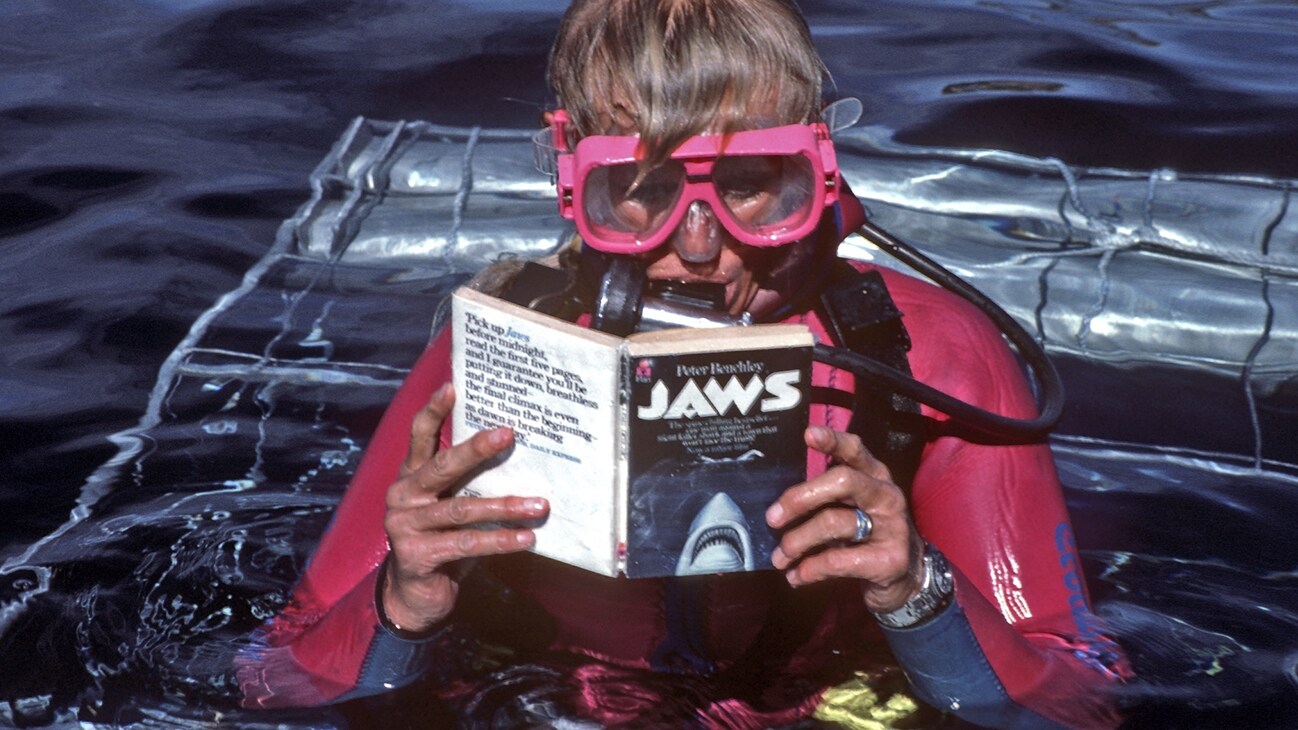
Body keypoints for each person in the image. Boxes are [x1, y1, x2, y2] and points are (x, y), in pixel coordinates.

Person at [238, 0, 1131, 726]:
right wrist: (404, 602)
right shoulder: (503, 349)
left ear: (819, 172)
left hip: (836, 704)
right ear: (575, 184)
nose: (700, 248)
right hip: (554, 698)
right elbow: (276, 680)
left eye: (750, 186)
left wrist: (916, 587)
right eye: (647, 194)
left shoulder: (932, 358)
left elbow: (1080, 697)